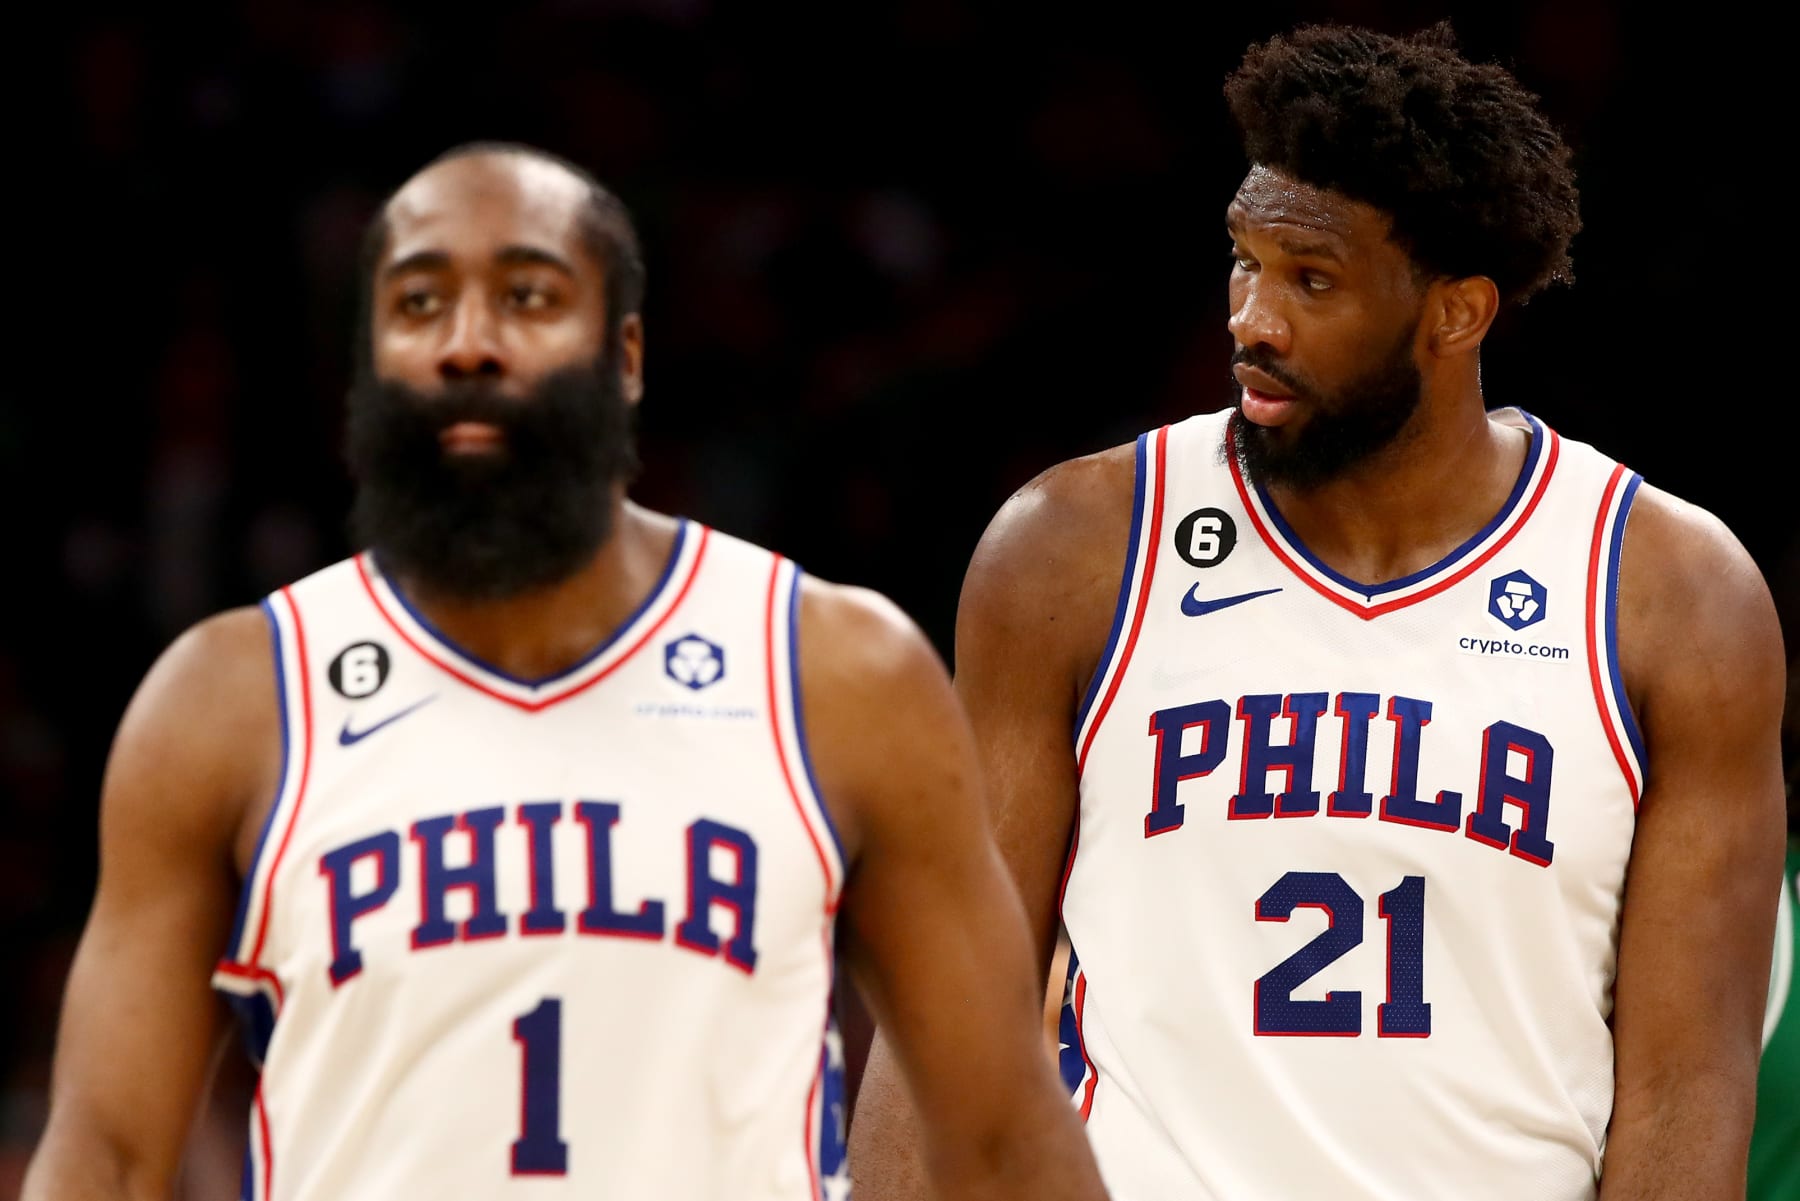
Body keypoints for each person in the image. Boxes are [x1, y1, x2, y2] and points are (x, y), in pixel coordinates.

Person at [22, 143, 1108, 1201]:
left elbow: (1002, 1143)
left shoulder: (835, 670)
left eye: (529, 296)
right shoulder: (231, 699)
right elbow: (106, 1157)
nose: (468, 343)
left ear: (625, 356)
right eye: (418, 303)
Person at [850, 22, 1787, 1201]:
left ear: (1455, 316)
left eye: (1313, 280)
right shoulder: (1077, 547)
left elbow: (1685, 1087)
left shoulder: (1672, 593)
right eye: (1244, 260)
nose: (1253, 320)